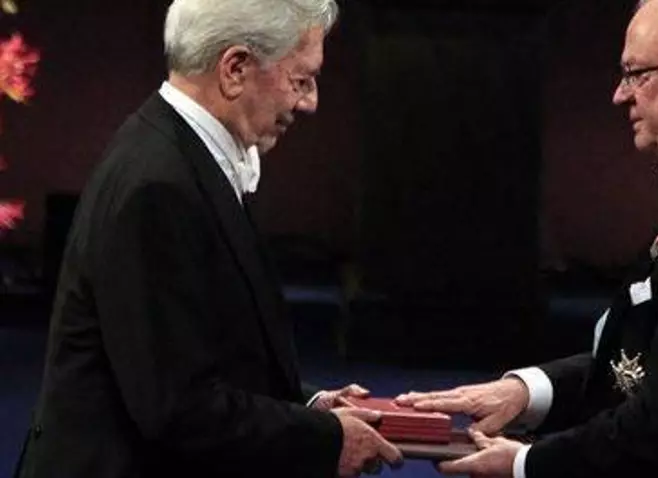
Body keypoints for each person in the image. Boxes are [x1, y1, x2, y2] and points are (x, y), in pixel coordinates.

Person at [397, 0, 658, 477]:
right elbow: (653, 364)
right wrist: (525, 392)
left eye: (637, 74)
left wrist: (525, 463)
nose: (619, 95)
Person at [14, 0, 402, 477]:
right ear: (235, 69)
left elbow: (209, 355)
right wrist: (325, 439)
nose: (310, 102)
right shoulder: (159, 186)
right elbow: (179, 408)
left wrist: (310, 408)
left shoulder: (182, 157)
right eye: (301, 80)